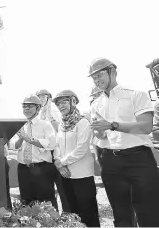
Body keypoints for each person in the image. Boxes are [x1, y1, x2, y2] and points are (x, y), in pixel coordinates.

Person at [89, 57, 159, 227]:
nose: (97, 80)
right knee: (121, 214)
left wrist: (112, 125)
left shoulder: (136, 94)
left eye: (100, 75)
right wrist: (99, 131)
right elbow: (103, 136)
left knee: (148, 211)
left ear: (113, 71)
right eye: (94, 77)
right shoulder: (96, 104)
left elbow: (145, 127)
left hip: (139, 159)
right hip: (111, 161)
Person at [53, 90, 100, 227]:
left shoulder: (83, 122)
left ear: (73, 102)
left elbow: (81, 149)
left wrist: (62, 162)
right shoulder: (62, 124)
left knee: (88, 213)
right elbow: (57, 145)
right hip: (65, 175)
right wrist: (59, 164)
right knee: (72, 213)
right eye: (58, 104)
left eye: (64, 102)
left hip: (82, 175)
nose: (61, 106)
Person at [14, 94, 57, 208]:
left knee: (46, 203)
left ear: (38, 108)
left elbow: (51, 143)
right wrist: (21, 138)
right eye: (24, 106)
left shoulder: (45, 124)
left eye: (30, 106)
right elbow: (15, 146)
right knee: (26, 202)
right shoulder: (19, 125)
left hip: (41, 168)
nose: (26, 109)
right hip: (23, 169)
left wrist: (30, 139)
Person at [36, 89, 70, 213]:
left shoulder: (55, 112)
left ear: (49, 98)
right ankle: (52, 216)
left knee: (63, 188)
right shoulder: (38, 116)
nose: (41, 99)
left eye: (43, 97)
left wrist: (49, 114)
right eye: (38, 97)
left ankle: (67, 214)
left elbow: (60, 130)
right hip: (45, 156)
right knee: (48, 190)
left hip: (57, 154)